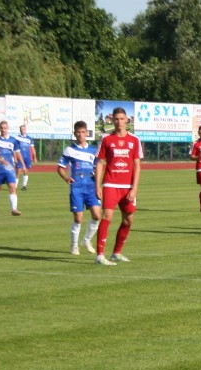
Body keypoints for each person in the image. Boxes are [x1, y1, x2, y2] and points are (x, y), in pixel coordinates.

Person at [94, 107, 143, 266]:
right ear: (112, 120)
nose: (119, 122)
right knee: (107, 216)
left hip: (127, 186)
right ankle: (100, 256)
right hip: (110, 184)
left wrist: (134, 188)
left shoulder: (134, 140)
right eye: (116, 119)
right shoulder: (106, 139)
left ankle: (116, 252)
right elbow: (100, 163)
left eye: (122, 119)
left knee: (128, 221)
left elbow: (137, 166)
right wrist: (98, 185)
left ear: (127, 120)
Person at [57, 121, 101, 255]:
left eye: (83, 132)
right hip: (77, 186)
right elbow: (60, 167)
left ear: (87, 133)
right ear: (75, 133)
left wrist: (98, 184)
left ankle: (86, 240)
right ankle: (74, 245)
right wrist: (66, 178)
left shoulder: (94, 150)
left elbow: (98, 167)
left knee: (97, 215)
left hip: (91, 184)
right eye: (78, 132)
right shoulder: (69, 149)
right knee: (78, 218)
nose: (81, 135)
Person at [0, 120, 25, 216]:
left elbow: (17, 152)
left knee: (13, 188)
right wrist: (1, 160)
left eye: (5, 128)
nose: (3, 130)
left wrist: (23, 165)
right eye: (2, 128)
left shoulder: (13, 140)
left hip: (10, 168)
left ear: (7, 129)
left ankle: (14, 209)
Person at [15, 124, 37, 191]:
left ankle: (24, 186)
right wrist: (15, 157)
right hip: (20, 157)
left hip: (27, 157)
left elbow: (33, 148)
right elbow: (15, 149)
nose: (23, 130)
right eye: (22, 129)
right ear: (20, 130)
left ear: (25, 130)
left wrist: (34, 157)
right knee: (18, 171)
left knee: (26, 171)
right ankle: (14, 187)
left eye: (24, 129)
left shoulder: (29, 139)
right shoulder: (17, 138)